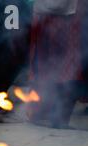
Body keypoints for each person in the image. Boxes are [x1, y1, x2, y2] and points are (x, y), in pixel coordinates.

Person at [28, 0, 87, 128]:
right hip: (62, 16)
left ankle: (45, 113)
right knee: (67, 67)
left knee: (54, 66)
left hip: (52, 14)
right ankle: (53, 116)